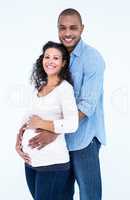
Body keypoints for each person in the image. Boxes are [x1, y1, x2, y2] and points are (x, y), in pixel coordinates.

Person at [16, 8, 106, 200]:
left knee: (90, 195)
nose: (67, 33)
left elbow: (87, 105)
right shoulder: (56, 56)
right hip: (58, 147)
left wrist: (53, 131)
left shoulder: (92, 59)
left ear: (82, 29)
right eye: (62, 28)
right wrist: (21, 135)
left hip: (84, 140)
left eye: (73, 28)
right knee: (61, 195)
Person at [16, 41, 79, 200]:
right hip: (31, 161)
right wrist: (18, 140)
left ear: (63, 63)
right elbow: (28, 117)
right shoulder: (40, 87)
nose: (50, 61)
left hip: (52, 163)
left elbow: (72, 124)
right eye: (47, 57)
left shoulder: (65, 89)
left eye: (56, 58)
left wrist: (43, 124)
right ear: (42, 59)